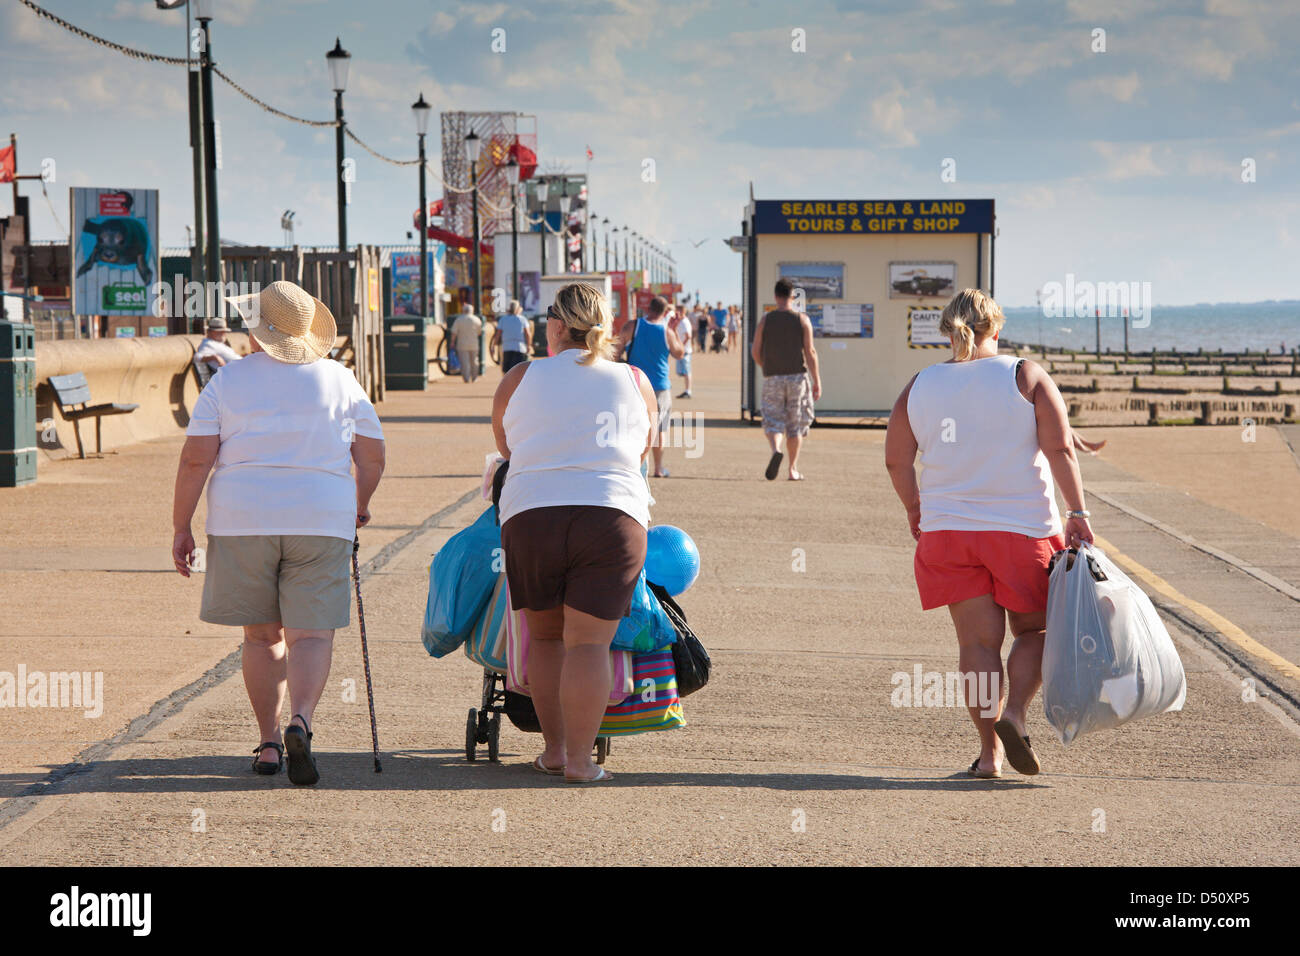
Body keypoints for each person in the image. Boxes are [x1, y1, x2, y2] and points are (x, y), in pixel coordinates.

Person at [171, 280, 386, 786]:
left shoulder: (225, 383)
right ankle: (301, 722)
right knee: (311, 633)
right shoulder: (341, 380)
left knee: (261, 635)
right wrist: (360, 503)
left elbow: (195, 458)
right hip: (321, 520)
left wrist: (182, 526)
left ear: (257, 330)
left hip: (243, 521)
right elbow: (372, 455)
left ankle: (268, 743)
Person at [884, 288, 1094, 780]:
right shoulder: (1024, 374)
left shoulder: (920, 384)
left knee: (977, 647)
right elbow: (1061, 448)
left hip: (948, 535)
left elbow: (897, 459)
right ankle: (1015, 715)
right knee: (1037, 631)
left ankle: (987, 755)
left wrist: (916, 506)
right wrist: (1078, 511)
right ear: (996, 329)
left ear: (947, 331)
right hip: (1021, 531)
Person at [491, 282, 657, 783]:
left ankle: (556, 749)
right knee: (589, 646)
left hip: (532, 515)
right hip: (611, 517)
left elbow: (505, 444)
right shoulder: (634, 379)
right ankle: (583, 764)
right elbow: (645, 449)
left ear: (557, 327)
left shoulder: (521, 376)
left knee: (545, 640)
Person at [751, 279, 821, 480]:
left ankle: (775, 450)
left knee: (773, 419)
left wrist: (766, 365)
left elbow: (755, 350)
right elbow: (810, 351)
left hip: (773, 376)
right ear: (793, 296)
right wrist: (816, 380)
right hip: (797, 377)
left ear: (775, 296)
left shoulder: (766, 320)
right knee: (795, 423)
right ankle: (792, 469)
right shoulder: (802, 319)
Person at [618, 295, 685, 478]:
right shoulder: (667, 332)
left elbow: (615, 350)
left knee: (632, 426)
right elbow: (680, 353)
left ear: (648, 308)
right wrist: (675, 330)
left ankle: (632, 466)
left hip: (635, 384)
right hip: (660, 386)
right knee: (658, 430)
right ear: (665, 312)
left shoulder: (632, 326)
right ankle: (658, 468)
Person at [193, 316, 242, 388]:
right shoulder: (208, 344)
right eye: (221, 331)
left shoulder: (217, 343)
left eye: (224, 331)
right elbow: (197, 357)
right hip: (233, 379)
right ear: (211, 332)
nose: (224, 333)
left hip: (238, 375)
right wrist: (215, 357)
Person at [492, 299, 534, 373]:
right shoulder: (522, 319)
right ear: (518, 309)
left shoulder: (503, 319)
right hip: (520, 348)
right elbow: (528, 334)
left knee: (507, 372)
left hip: (507, 347)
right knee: (519, 371)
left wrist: (494, 346)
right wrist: (529, 345)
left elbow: (498, 334)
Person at [450, 306, 483, 382]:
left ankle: (466, 378)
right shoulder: (476, 319)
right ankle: (474, 377)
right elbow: (480, 332)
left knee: (464, 362)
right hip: (474, 344)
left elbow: (454, 332)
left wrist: (452, 342)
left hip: (462, 344)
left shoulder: (459, 320)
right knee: (474, 361)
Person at [667, 304, 694, 399]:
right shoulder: (680, 321)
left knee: (687, 371)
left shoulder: (685, 322)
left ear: (682, 312)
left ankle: (688, 391)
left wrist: (681, 346)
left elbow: (688, 336)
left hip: (685, 351)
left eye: (678, 312)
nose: (676, 314)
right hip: (682, 350)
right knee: (681, 372)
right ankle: (687, 390)